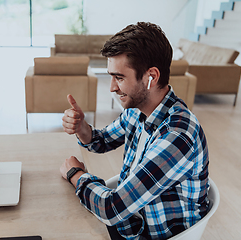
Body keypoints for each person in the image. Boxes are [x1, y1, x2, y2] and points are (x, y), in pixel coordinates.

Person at [60, 22, 209, 240]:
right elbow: (102, 141)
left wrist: (76, 174)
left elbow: (112, 209)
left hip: (149, 233)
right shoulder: (138, 110)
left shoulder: (178, 135)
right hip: (133, 221)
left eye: (119, 77)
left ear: (151, 77)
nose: (111, 87)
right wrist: (82, 128)